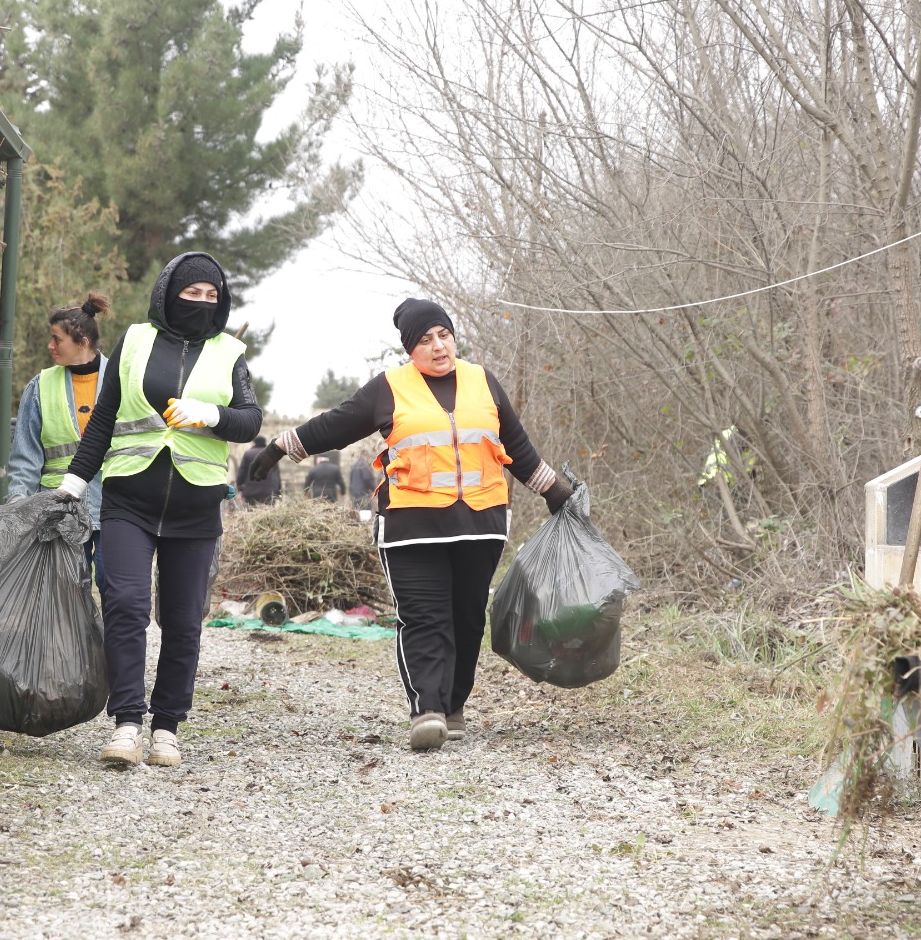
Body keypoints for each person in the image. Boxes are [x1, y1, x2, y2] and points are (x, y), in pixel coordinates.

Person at [250, 298, 572, 752]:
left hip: (479, 524)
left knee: (465, 620)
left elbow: (516, 445)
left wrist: (552, 490)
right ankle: (427, 709)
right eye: (425, 340)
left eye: (444, 335)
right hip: (411, 527)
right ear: (409, 349)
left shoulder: (483, 381)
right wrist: (281, 447)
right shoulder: (389, 388)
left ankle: (453, 704)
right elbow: (337, 424)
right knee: (425, 617)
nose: (438, 347)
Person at [59, 253, 262, 769]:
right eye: (191, 293)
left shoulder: (230, 352)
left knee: (183, 622)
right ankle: (127, 722)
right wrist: (73, 484)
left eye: (211, 296)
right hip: (130, 500)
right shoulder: (135, 341)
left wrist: (212, 414)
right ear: (168, 292)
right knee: (125, 604)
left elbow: (250, 420)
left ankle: (167, 728)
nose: (200, 303)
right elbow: (104, 418)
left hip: (196, 508)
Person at [6, 294, 111, 588]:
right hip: (59, 509)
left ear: (82, 341)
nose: (50, 346)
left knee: (115, 588)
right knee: (65, 593)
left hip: (113, 505)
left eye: (57, 339)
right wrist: (18, 503)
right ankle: (71, 637)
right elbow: (25, 456)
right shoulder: (39, 387)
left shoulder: (122, 381)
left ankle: (113, 637)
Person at [237, 436, 280, 506]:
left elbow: (242, 471)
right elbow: (276, 474)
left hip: (250, 491)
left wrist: (239, 486)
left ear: (254, 443)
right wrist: (277, 491)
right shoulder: (272, 454)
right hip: (268, 491)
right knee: (267, 514)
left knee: (251, 513)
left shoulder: (248, 454)